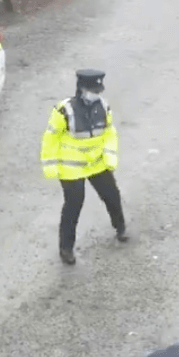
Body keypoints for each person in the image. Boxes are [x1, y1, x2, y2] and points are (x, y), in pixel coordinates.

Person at [40, 69, 128, 265]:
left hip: (96, 163)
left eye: (99, 90)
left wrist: (110, 158)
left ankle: (120, 227)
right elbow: (50, 138)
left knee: (112, 195)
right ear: (82, 89)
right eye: (93, 91)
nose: (97, 94)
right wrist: (50, 165)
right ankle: (66, 249)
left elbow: (109, 133)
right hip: (71, 167)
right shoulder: (64, 110)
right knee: (73, 205)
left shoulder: (103, 107)